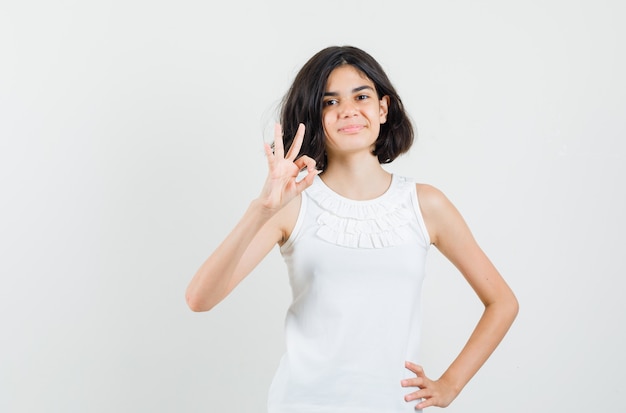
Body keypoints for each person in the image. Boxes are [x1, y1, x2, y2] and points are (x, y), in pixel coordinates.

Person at [185, 45, 519, 412]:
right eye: (329, 102)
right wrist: (260, 209)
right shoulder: (292, 205)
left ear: (382, 107)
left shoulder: (425, 204)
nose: (347, 110)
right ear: (314, 116)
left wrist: (451, 385)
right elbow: (200, 299)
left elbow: (502, 302)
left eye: (361, 96)